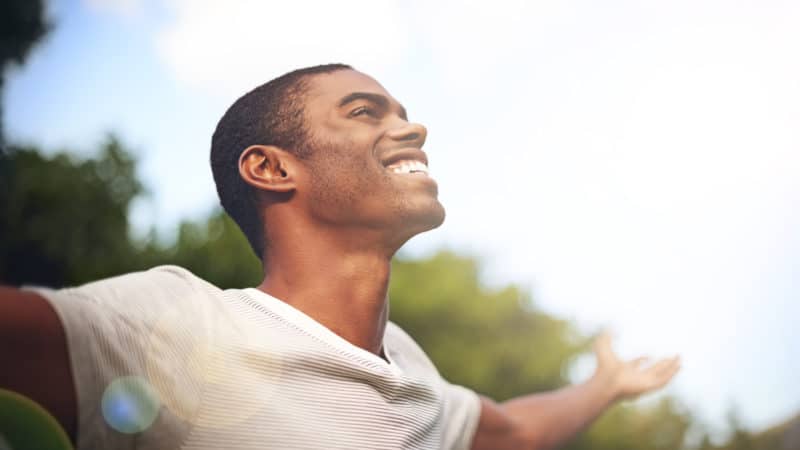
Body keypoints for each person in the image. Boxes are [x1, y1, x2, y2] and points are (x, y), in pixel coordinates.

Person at [0, 64, 681, 450]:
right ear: (270, 168)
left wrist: (606, 386)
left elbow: (517, 433)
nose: (411, 127)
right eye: (365, 112)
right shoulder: (177, 326)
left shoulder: (410, 368)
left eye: (402, 112)